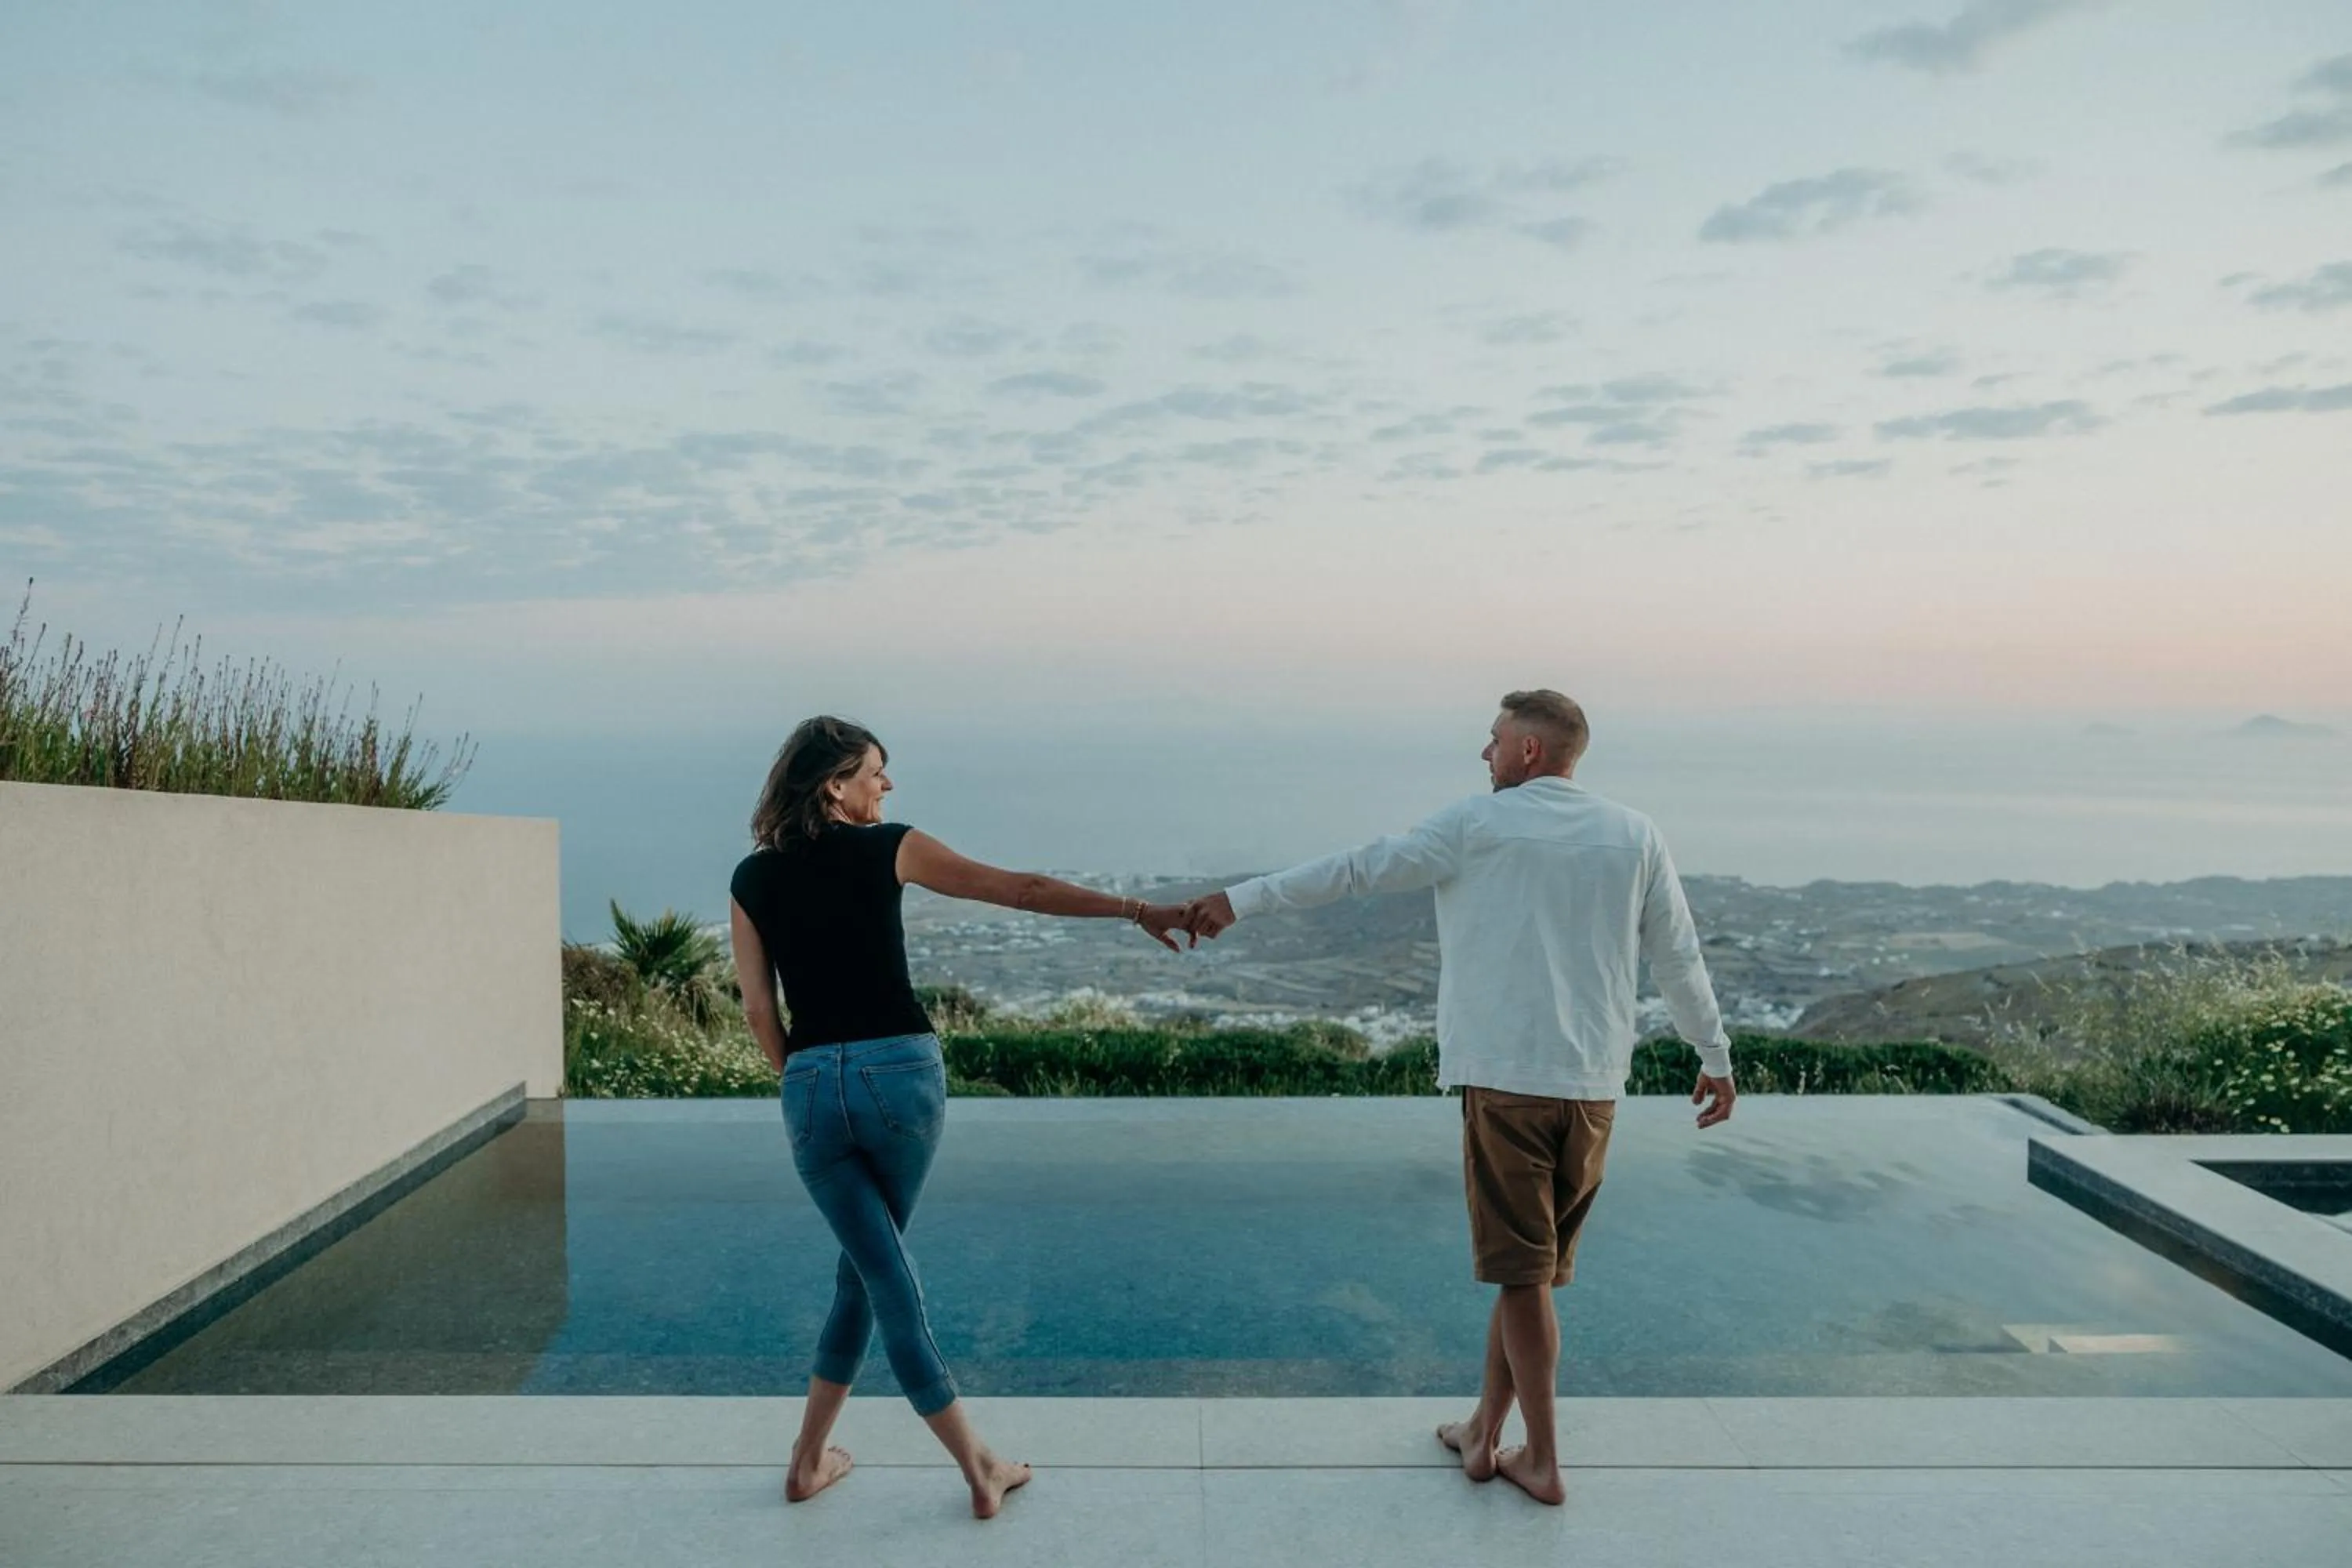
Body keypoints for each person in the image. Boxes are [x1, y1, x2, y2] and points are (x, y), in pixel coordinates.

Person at [1181, 689, 1736, 1507]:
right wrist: (1715, 1055)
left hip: (1508, 1081)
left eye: (1495, 739)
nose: (1485, 753)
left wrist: (1240, 898)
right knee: (1530, 1273)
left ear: (1530, 751)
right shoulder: (1634, 833)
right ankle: (1483, 1431)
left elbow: (1359, 869)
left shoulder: (1478, 823)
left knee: (1523, 1276)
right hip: (1593, 1089)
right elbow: (1678, 957)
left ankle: (1541, 1458)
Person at [728, 715, 1192, 1519]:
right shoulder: (892, 846)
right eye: (874, 770)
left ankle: (806, 1461)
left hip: (808, 1083)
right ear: (835, 784)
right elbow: (1022, 890)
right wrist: (1135, 908)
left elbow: (758, 1010)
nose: (887, 783)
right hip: (897, 1076)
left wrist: (803, 1082)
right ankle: (978, 1465)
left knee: (863, 1270)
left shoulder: (751, 877)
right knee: (887, 1279)